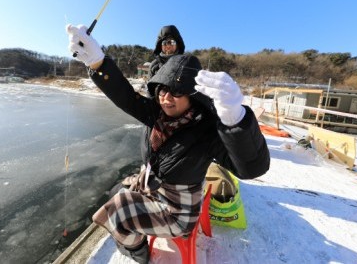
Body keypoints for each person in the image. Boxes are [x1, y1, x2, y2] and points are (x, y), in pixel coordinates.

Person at [66, 24, 270, 264]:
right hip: (156, 190)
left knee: (118, 209)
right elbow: (126, 96)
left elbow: (252, 168)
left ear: (193, 96)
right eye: (162, 89)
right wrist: (98, 63)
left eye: (175, 91)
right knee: (117, 191)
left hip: (178, 213)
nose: (165, 97)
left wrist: (236, 120)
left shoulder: (207, 131)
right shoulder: (157, 114)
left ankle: (139, 254)